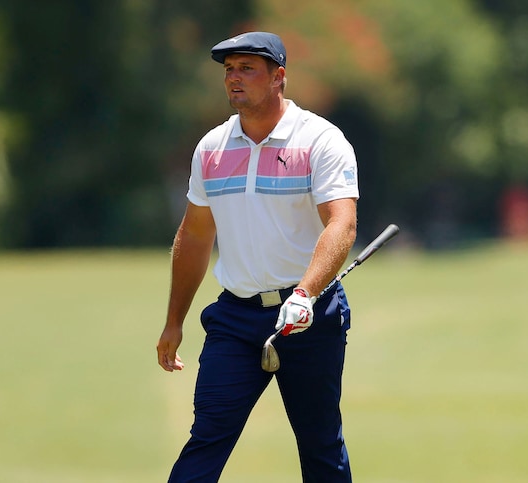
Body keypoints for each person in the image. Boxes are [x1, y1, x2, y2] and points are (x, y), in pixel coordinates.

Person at [156, 31, 360, 482]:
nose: (233, 79)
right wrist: (175, 320)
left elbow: (341, 224)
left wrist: (305, 293)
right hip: (236, 318)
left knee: (320, 445)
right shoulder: (210, 149)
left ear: (278, 77)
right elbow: (194, 236)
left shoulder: (320, 140)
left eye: (247, 68)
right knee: (207, 436)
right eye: (229, 70)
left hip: (309, 316)